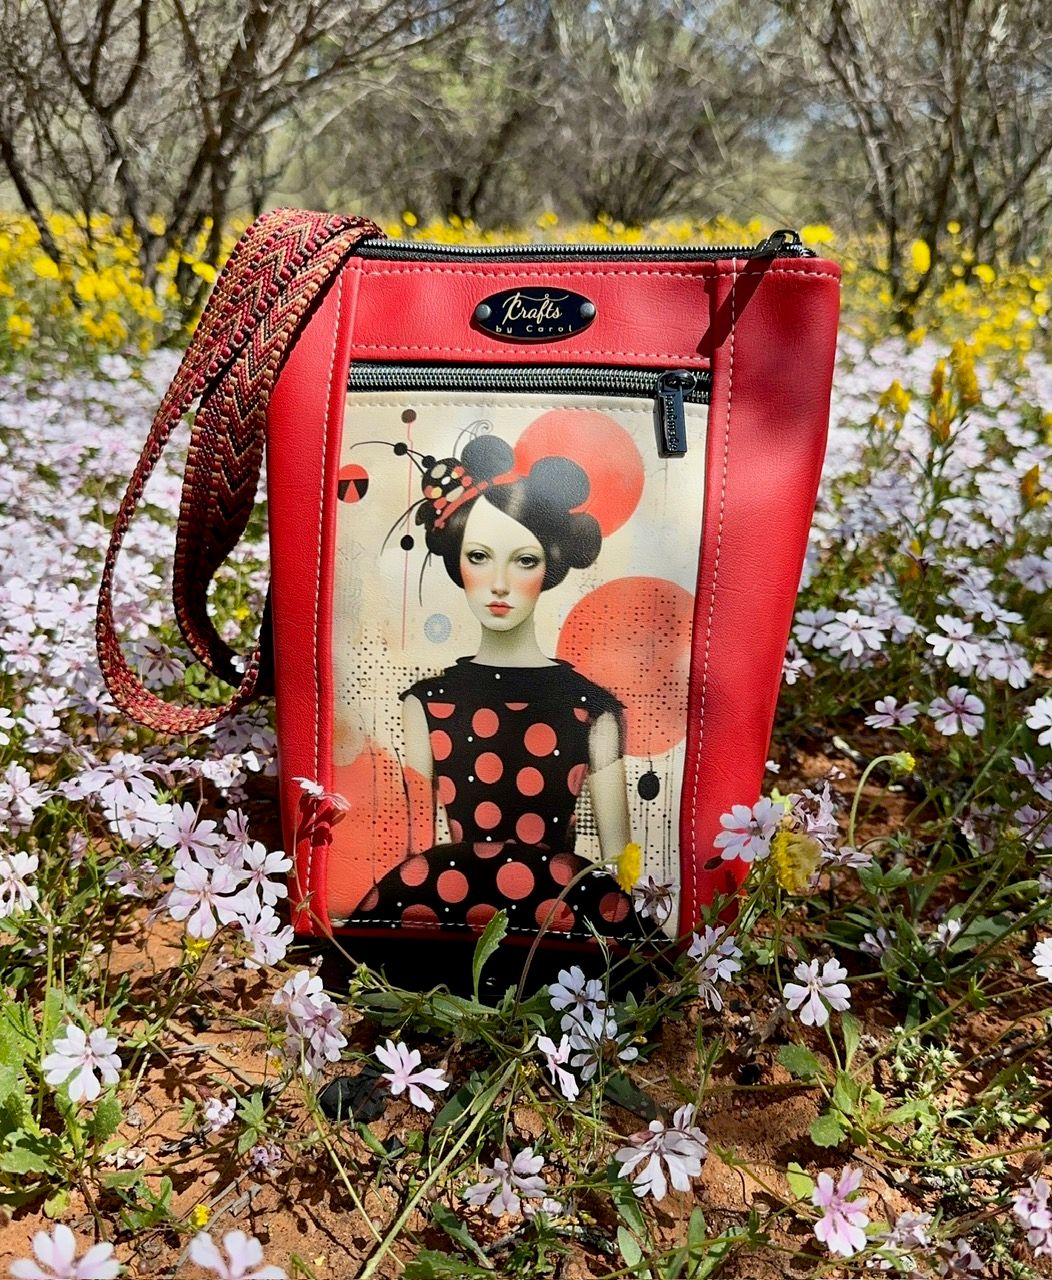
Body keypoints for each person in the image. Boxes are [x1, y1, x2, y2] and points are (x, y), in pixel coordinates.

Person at [352, 433, 644, 938]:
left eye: (524, 560)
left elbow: (621, 862)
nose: (500, 583)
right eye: (480, 557)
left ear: (550, 567)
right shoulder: (427, 702)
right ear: (456, 563)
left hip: (562, 906)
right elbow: (415, 844)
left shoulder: (592, 709)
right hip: (441, 899)